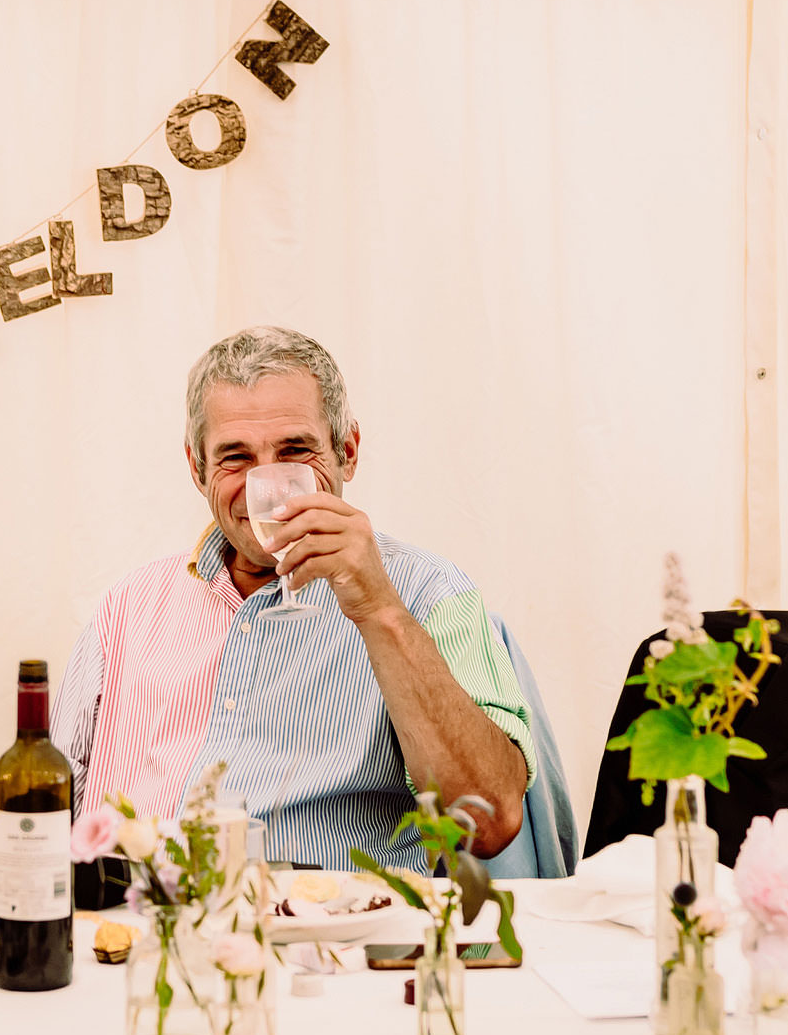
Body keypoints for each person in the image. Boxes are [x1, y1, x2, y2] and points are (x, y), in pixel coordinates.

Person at [50, 327, 534, 870]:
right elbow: (47, 811)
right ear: (196, 468)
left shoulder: (428, 593)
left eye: (295, 451)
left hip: (323, 942)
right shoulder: (128, 607)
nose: (269, 484)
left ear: (346, 453)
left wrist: (378, 611)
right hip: (131, 931)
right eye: (235, 457)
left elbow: (488, 821)